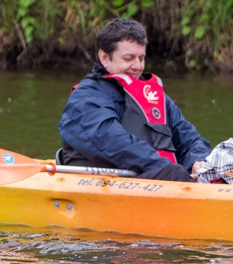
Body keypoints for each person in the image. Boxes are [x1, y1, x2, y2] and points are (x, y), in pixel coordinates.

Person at [58, 18, 211, 182]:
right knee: (173, 174)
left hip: (159, 178)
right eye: (128, 58)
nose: (137, 66)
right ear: (104, 57)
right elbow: (111, 141)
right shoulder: (86, 98)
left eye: (141, 58)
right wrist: (166, 168)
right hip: (105, 187)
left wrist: (198, 160)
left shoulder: (152, 96)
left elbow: (189, 137)